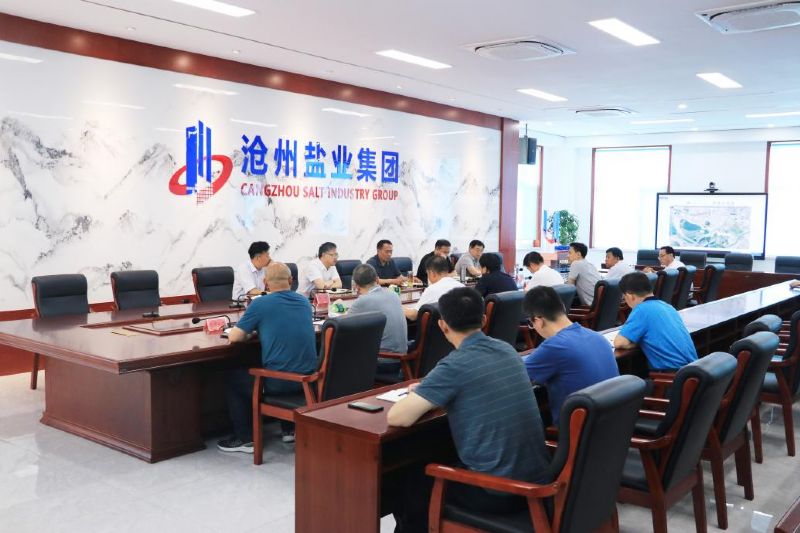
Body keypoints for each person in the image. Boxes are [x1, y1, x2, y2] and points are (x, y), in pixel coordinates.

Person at [388, 287, 550, 532]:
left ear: (442, 325)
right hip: (539, 480)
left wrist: (426, 393)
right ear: (483, 320)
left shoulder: (455, 365)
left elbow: (398, 417)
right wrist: (433, 389)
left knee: (410, 484)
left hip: (500, 493)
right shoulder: (507, 349)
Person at [218, 263, 317, 452]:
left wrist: (250, 332)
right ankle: (289, 430)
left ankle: (245, 439)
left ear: (265, 282)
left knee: (233, 378)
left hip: (280, 384)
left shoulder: (260, 304)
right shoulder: (304, 302)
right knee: (282, 359)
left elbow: (235, 336)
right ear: (291, 280)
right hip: (308, 381)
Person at [522, 286, 619, 424]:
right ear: (562, 307)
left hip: (579, 430)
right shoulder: (597, 337)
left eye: (531, 323)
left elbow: (515, 378)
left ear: (538, 320)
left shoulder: (554, 346)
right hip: (611, 424)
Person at [614, 271, 697, 370]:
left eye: (624, 298)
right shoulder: (667, 306)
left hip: (673, 374)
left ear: (630, 296)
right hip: (692, 369)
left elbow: (619, 342)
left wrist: (635, 344)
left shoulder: (641, 310)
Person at [348, 264, 408, 376]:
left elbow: (343, 326)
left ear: (356, 285)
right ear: (377, 279)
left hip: (383, 362)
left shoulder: (362, 301)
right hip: (403, 360)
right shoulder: (393, 295)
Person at [404, 256, 463, 321]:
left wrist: (399, 305)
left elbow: (413, 316)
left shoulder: (432, 289)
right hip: (458, 325)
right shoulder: (461, 286)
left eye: (427, 274)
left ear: (432, 273)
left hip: (439, 326)